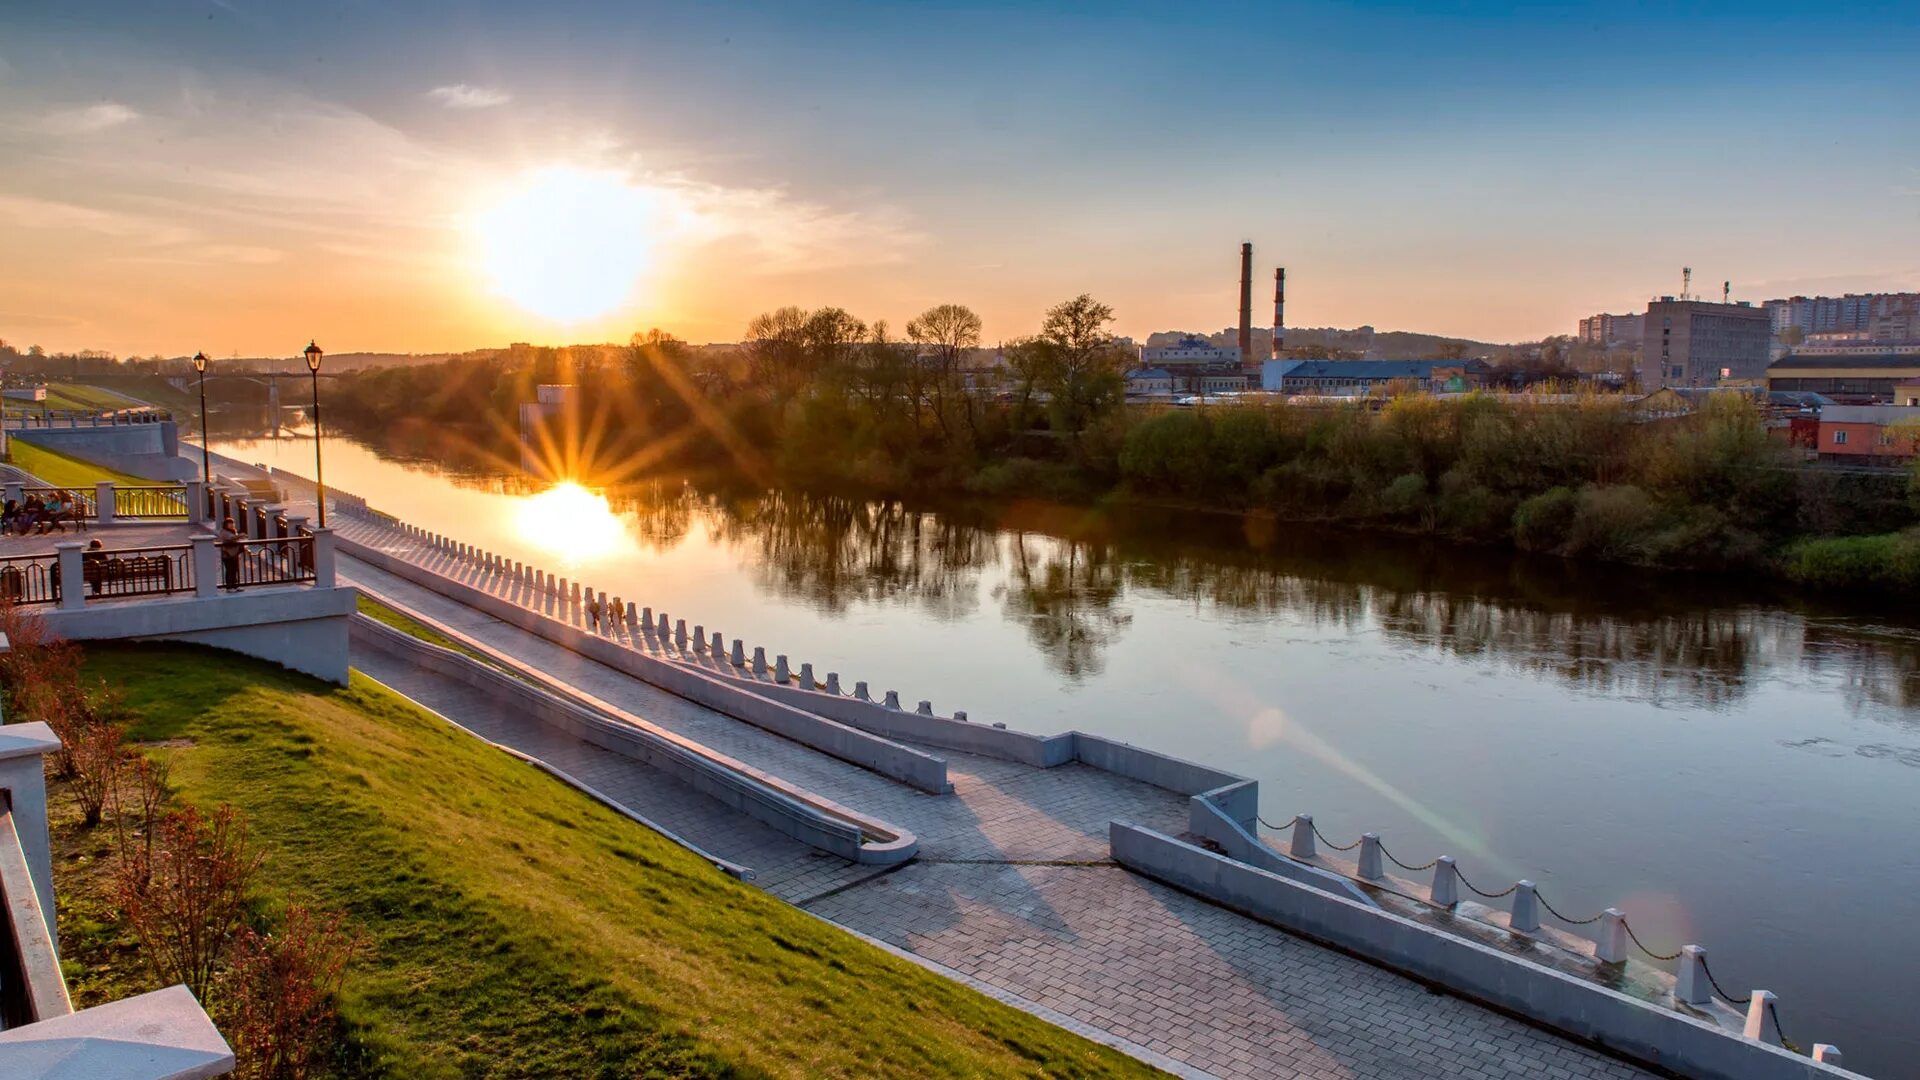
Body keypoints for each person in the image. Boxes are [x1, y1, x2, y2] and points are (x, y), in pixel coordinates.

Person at [219, 515, 244, 591]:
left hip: (234, 554)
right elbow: (230, 538)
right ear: (226, 525)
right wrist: (240, 536)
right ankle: (229, 587)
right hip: (227, 555)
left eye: (233, 523)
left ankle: (235, 585)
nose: (232, 525)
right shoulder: (224, 532)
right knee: (229, 570)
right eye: (230, 524)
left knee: (234, 570)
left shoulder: (233, 531)